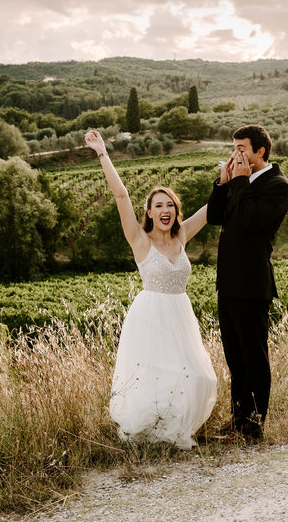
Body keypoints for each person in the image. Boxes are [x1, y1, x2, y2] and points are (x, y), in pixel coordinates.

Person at [85, 130, 217, 449]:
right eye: (158, 205)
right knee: (156, 377)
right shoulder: (139, 240)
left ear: (175, 211)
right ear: (149, 212)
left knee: (198, 376)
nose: (164, 209)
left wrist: (228, 176)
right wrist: (102, 153)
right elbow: (121, 196)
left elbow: (212, 209)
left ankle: (174, 430)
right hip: (150, 316)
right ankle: (153, 436)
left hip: (180, 316)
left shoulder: (181, 236)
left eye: (169, 204)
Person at [207, 124, 288, 441]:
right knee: (235, 358)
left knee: (254, 358)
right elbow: (216, 217)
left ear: (261, 151)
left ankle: (253, 426)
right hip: (227, 283)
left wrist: (240, 182)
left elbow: (251, 220)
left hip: (252, 284)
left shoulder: (277, 185)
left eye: (242, 148)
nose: (236, 153)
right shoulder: (239, 181)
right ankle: (238, 419)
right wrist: (223, 183)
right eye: (234, 147)